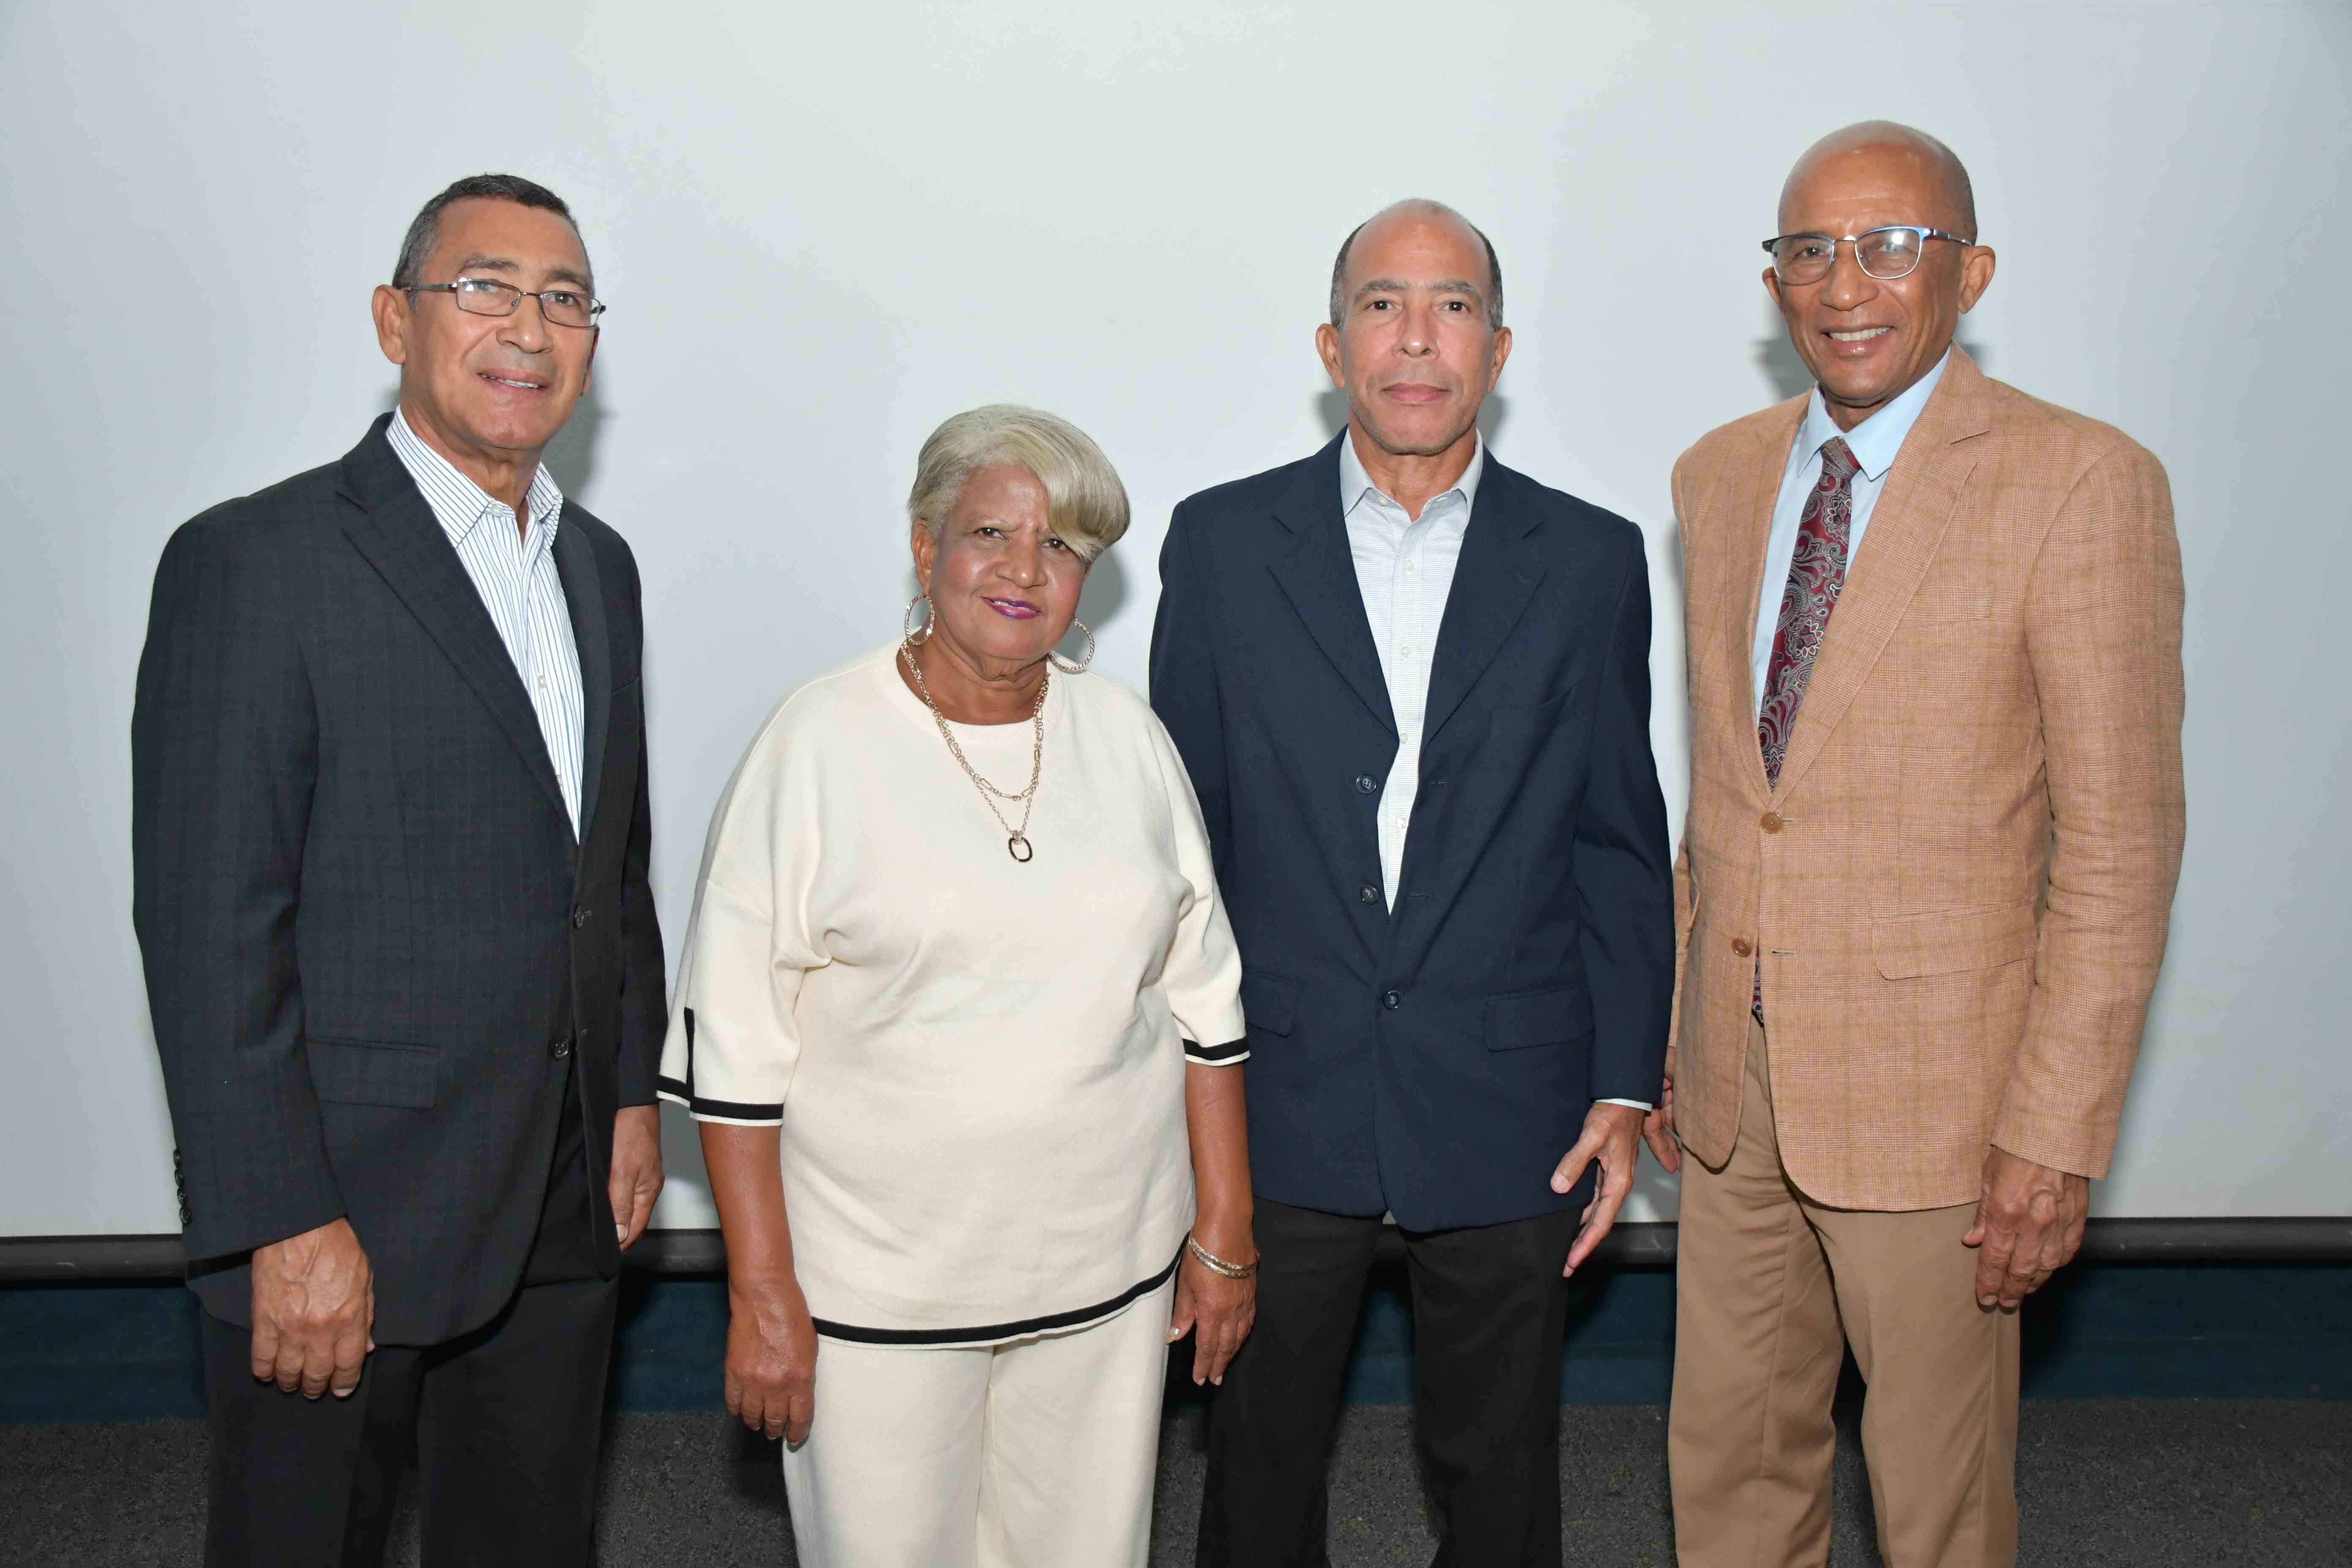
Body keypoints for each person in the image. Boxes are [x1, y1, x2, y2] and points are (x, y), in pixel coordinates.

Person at [1653, 122, 2187, 1566]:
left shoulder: (2081, 482)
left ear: (1973, 271)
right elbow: (1727, 786)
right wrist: (1675, 1018)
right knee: (1728, 1467)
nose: (1848, 285)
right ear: (1775, 284)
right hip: (1734, 1086)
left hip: (1943, 1111)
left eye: (1893, 246)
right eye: (1810, 251)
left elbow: (2122, 847)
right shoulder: (1718, 478)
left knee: (1938, 1505)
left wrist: (2055, 1137)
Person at [130, 173, 665, 1566]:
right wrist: (281, 1216)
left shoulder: (599, 569)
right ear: (395, 319)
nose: (529, 330)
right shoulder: (257, 560)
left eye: (565, 301)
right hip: (343, 1210)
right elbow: (208, 926)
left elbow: (610, 867)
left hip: (557, 1202)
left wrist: (622, 1094)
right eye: (485, 288)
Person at [1153, 200, 1676, 1566]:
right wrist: (1161, 1082)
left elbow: (1619, 835)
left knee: (1499, 1478)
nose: (1417, 337)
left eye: (1452, 306)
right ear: (1333, 343)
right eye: (1384, 304)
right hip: (1278, 1085)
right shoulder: (1217, 545)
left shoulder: (1592, 559)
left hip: (1516, 1087)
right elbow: (1179, 841)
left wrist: (1627, 1084)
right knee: (1256, 1463)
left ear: (1499, 348)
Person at [662, 405, 1255, 1568]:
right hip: (876, 1297)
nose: (1027, 571)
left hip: (1110, 1281)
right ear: (925, 545)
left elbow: (1206, 1007)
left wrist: (1225, 1236)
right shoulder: (818, 741)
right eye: (991, 533)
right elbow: (736, 1055)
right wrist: (763, 1292)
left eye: (1066, 547)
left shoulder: (1128, 739)